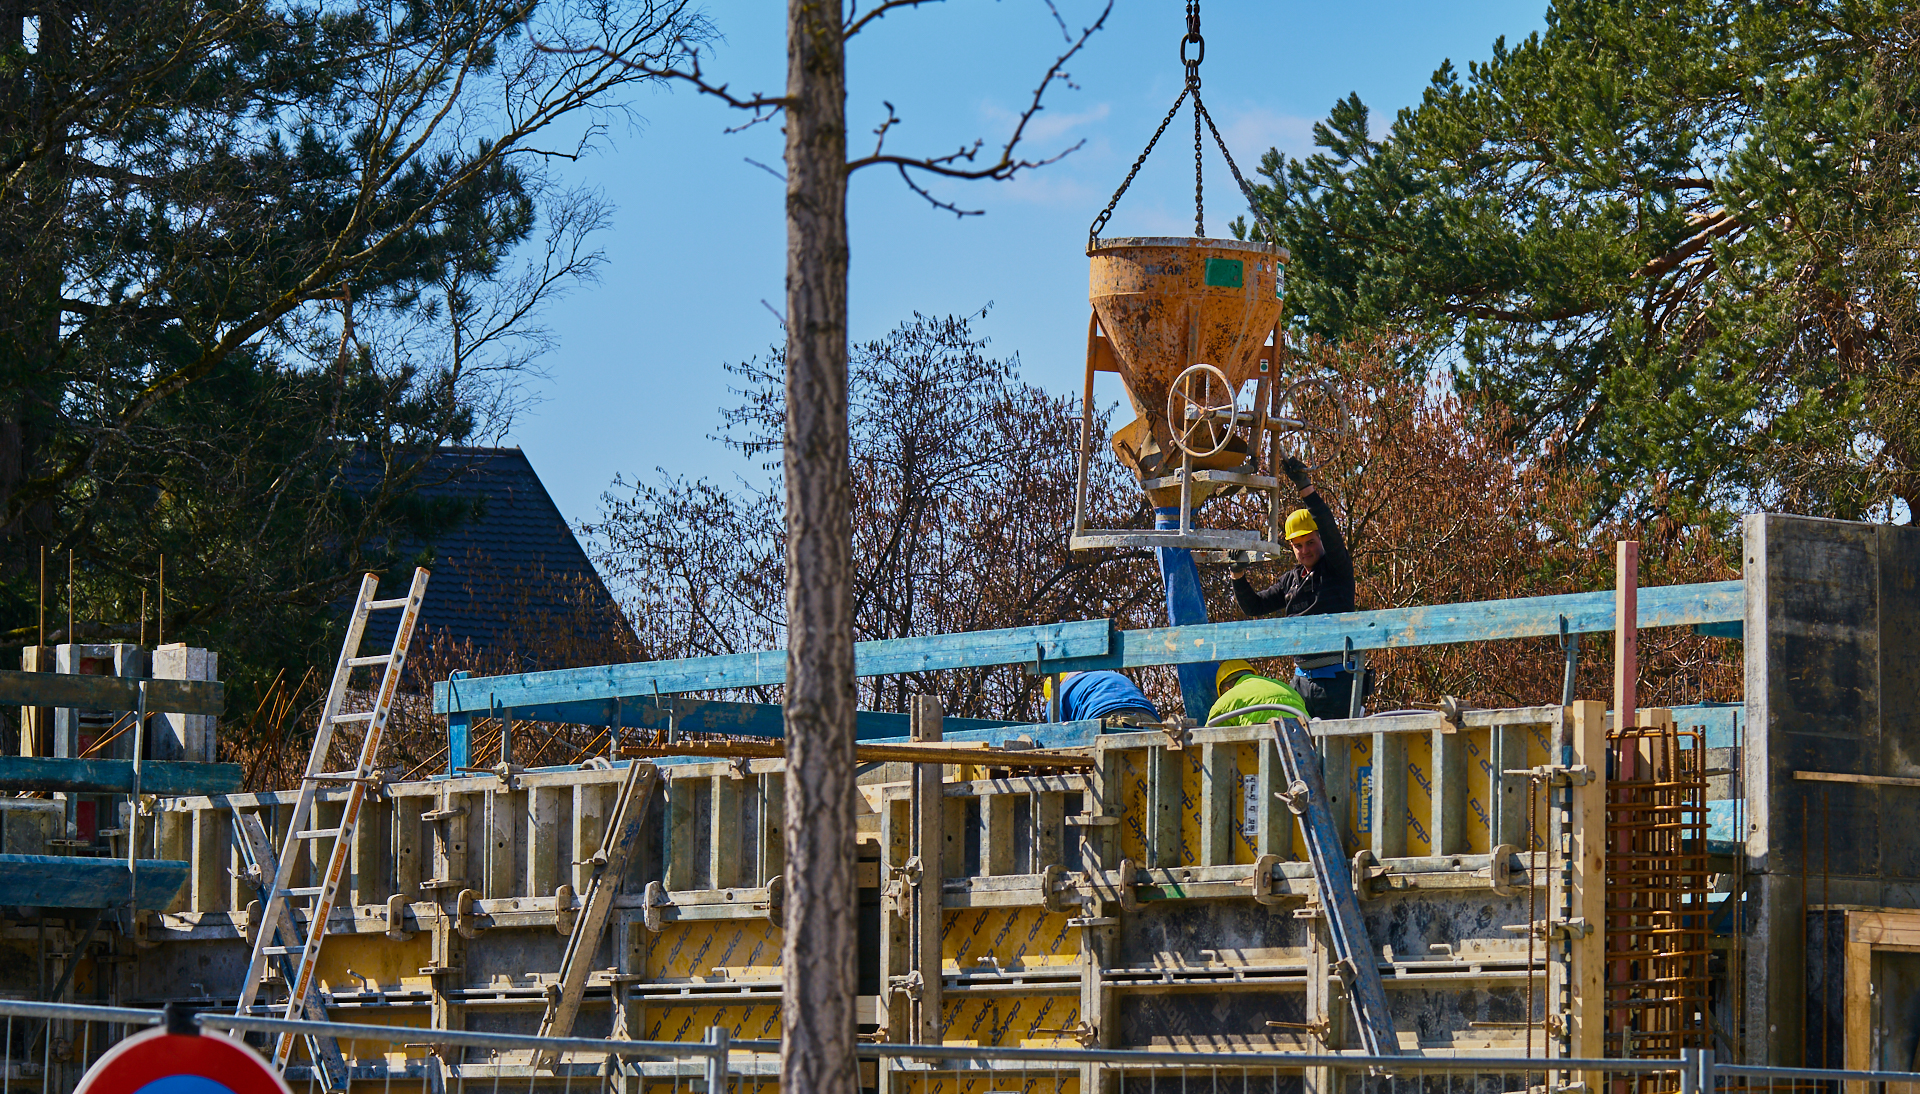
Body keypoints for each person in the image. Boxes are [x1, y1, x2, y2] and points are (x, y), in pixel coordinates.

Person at [1228, 455, 1368, 719]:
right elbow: (1254, 606)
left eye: (1311, 542)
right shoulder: (1291, 580)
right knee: (1298, 751)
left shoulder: (1336, 569)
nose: (1306, 550)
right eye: (1298, 545)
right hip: (1301, 684)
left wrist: (1305, 487)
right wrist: (1238, 574)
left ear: (1320, 540)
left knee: (1337, 751)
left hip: (1337, 681)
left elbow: (1327, 525)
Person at [1207, 659, 1309, 727]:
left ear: (1226, 689)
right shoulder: (1287, 689)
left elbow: (1206, 743)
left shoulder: (1225, 702)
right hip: (1307, 748)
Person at [1047, 670, 1160, 725]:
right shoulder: (1099, 676)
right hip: (1150, 719)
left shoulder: (1057, 694)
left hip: (1107, 719)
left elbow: (1059, 736)